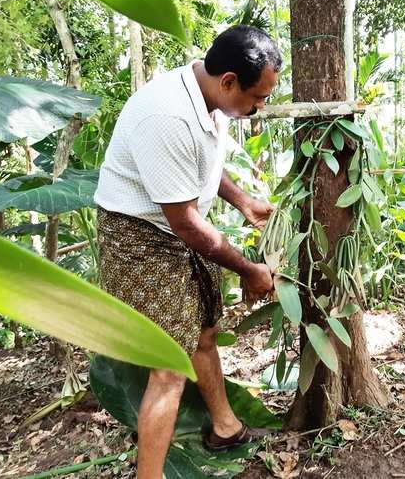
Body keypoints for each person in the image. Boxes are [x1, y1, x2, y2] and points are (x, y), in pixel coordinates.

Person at [94, 25, 281, 478]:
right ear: (230, 81)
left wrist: (244, 203)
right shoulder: (168, 116)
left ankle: (225, 426)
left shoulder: (210, 99)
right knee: (168, 368)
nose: (259, 109)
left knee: (203, 332)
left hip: (175, 229)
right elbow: (185, 222)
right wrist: (248, 269)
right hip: (139, 238)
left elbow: (200, 166)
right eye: (257, 97)